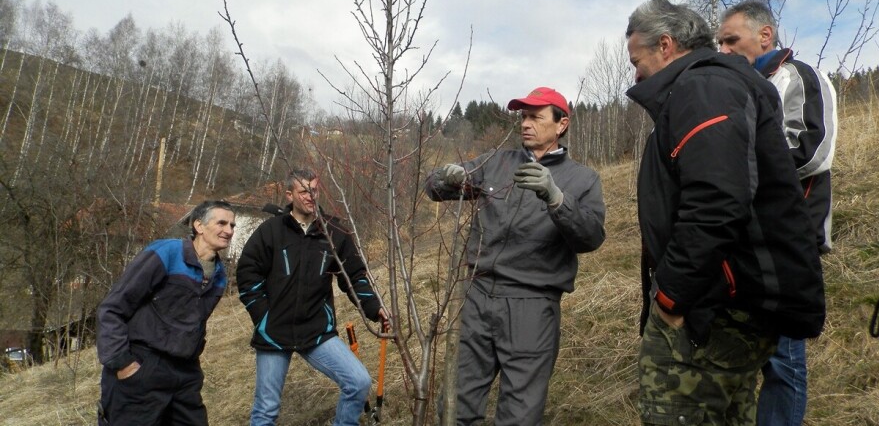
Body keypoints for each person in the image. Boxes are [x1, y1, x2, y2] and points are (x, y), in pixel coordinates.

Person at [624, 0, 826, 425]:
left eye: (635, 58)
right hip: (722, 302)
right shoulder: (709, 87)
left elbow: (718, 199)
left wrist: (671, 295)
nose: (634, 71)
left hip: (711, 308)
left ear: (665, 45)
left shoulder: (703, 87)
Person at [425, 87, 606, 425]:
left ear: (561, 123)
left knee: (520, 414)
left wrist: (555, 198)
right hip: (476, 297)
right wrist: (445, 177)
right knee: (456, 404)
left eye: (535, 117)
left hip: (531, 305)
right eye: (523, 116)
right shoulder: (496, 162)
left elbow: (591, 237)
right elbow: (435, 188)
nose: (525, 124)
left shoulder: (582, 179)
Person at [718, 0, 838, 426]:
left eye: (732, 40)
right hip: (745, 246)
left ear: (765, 35)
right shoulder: (739, 89)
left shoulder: (799, 76)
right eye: (720, 43)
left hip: (789, 242)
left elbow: (811, 152)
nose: (724, 50)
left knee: (783, 363)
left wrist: (735, 168)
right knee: (745, 356)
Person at [237, 169, 388, 426]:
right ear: (289, 194)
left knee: (358, 382)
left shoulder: (334, 232)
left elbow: (353, 276)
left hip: (316, 331)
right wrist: (262, 316)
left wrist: (375, 308)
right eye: (304, 191)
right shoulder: (271, 230)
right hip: (274, 331)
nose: (311, 196)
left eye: (315, 190)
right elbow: (247, 273)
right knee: (266, 409)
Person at [97, 200, 237, 426]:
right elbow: (113, 307)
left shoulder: (219, 275)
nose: (229, 231)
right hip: (142, 366)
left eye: (232, 225)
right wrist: (123, 363)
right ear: (199, 226)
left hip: (185, 374)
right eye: (222, 223)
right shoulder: (166, 253)